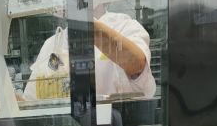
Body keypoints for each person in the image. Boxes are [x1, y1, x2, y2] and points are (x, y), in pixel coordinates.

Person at [23, 6, 156, 103]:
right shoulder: (52, 43)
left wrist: (80, 18)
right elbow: (30, 101)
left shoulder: (123, 26)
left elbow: (136, 64)